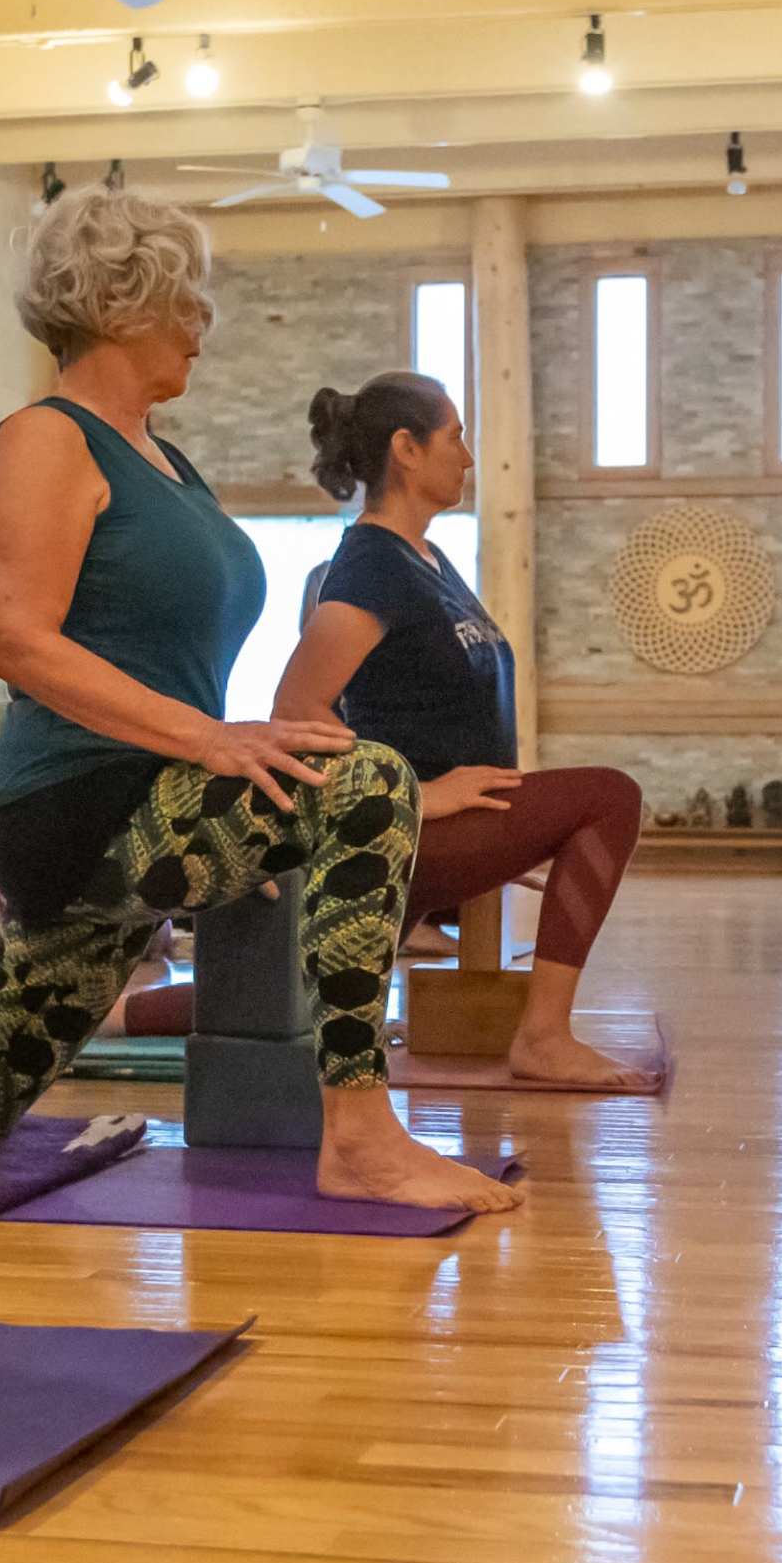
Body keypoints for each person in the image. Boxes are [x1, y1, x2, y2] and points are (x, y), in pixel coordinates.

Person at [0, 190, 516, 1217]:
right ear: (119, 304)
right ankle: (358, 1138)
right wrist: (214, 743)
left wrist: (247, 818)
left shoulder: (167, 463)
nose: (202, 321)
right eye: (185, 299)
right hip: (77, 810)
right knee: (370, 780)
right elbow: (17, 639)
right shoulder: (46, 438)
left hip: (152, 802)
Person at [124, 371, 647, 1086]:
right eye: (456, 437)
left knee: (290, 993)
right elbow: (296, 707)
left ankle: (112, 1015)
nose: (468, 456)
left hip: (448, 825)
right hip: (409, 829)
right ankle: (544, 1038)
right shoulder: (373, 563)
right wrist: (424, 797)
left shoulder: (425, 559)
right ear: (407, 448)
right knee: (611, 797)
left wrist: (513, 829)